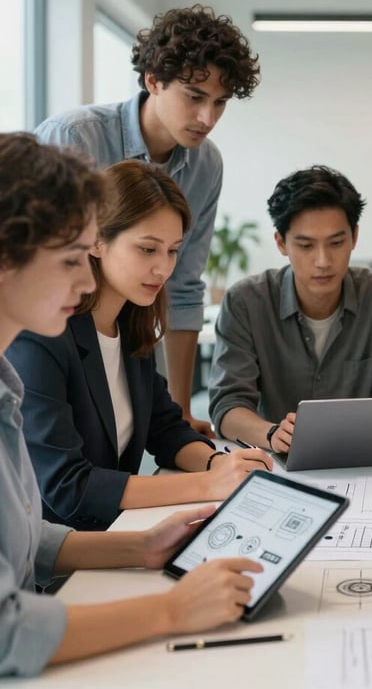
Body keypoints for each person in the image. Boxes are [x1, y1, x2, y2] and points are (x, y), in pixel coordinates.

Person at [0, 133, 262, 677]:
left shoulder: (121, 325)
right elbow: (9, 631)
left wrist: (138, 547)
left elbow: (24, 535)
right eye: (72, 257)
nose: (84, 277)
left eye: (172, 251)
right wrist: (173, 609)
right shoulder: (37, 344)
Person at [6, 160, 271, 531]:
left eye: (173, 250)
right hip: (56, 556)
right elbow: (68, 487)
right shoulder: (41, 337)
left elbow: (164, 427)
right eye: (147, 250)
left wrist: (218, 464)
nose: (163, 269)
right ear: (96, 240)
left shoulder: (131, 324)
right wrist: (209, 483)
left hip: (119, 532)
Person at [35, 4, 261, 436]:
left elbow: (184, 285)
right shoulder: (74, 138)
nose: (207, 119)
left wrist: (178, 412)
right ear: (153, 81)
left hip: (122, 338)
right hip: (48, 342)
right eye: (195, 97)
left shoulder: (205, 164)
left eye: (220, 103)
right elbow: (34, 265)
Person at [208, 165, 372, 453]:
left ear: (354, 237)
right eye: (306, 245)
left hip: (364, 457)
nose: (323, 261)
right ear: (281, 243)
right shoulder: (245, 302)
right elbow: (228, 405)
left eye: (336, 243)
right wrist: (271, 434)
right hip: (275, 460)